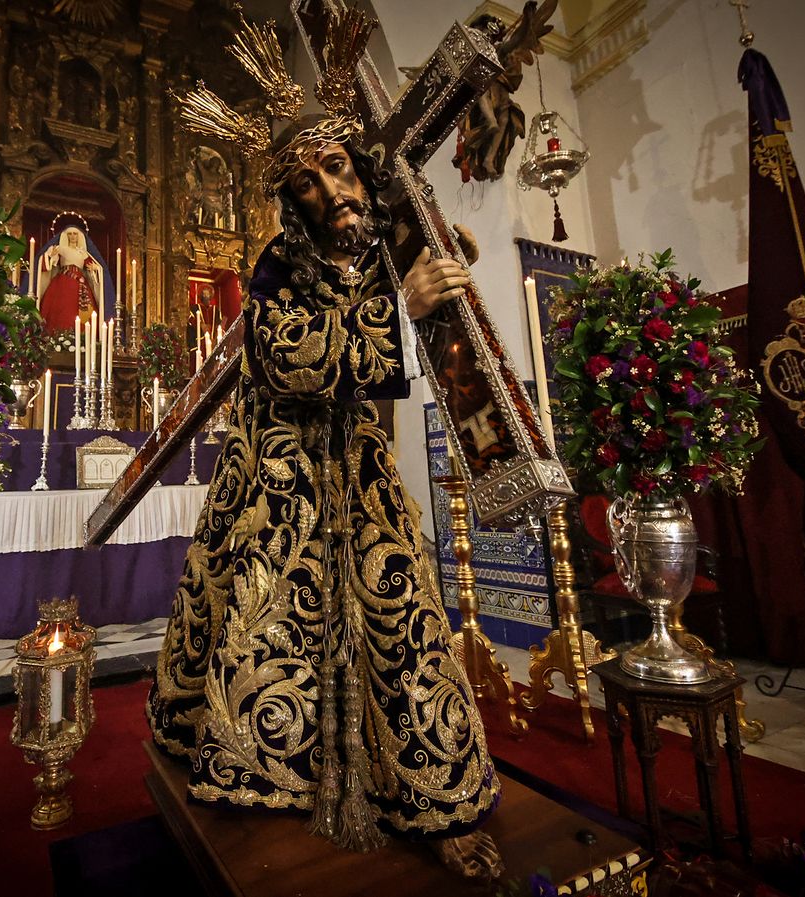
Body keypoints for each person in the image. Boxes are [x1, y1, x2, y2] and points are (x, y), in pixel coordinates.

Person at [148, 114, 504, 879]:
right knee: (268, 619)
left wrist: (438, 271)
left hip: (362, 471)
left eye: (338, 168)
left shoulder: (385, 252)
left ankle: (429, 795)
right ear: (291, 200)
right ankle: (274, 775)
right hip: (282, 480)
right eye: (307, 182)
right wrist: (400, 306)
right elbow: (287, 358)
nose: (330, 192)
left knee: (398, 618)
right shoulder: (278, 263)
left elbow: (418, 325)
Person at [34, 226, 103, 330]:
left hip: (80, 284)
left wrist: (95, 268)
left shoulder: (83, 253)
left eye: (75, 234)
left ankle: (82, 336)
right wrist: (51, 257)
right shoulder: (60, 249)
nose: (72, 236)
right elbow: (47, 263)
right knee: (62, 308)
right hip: (63, 282)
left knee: (82, 311)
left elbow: (94, 267)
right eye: (69, 234)